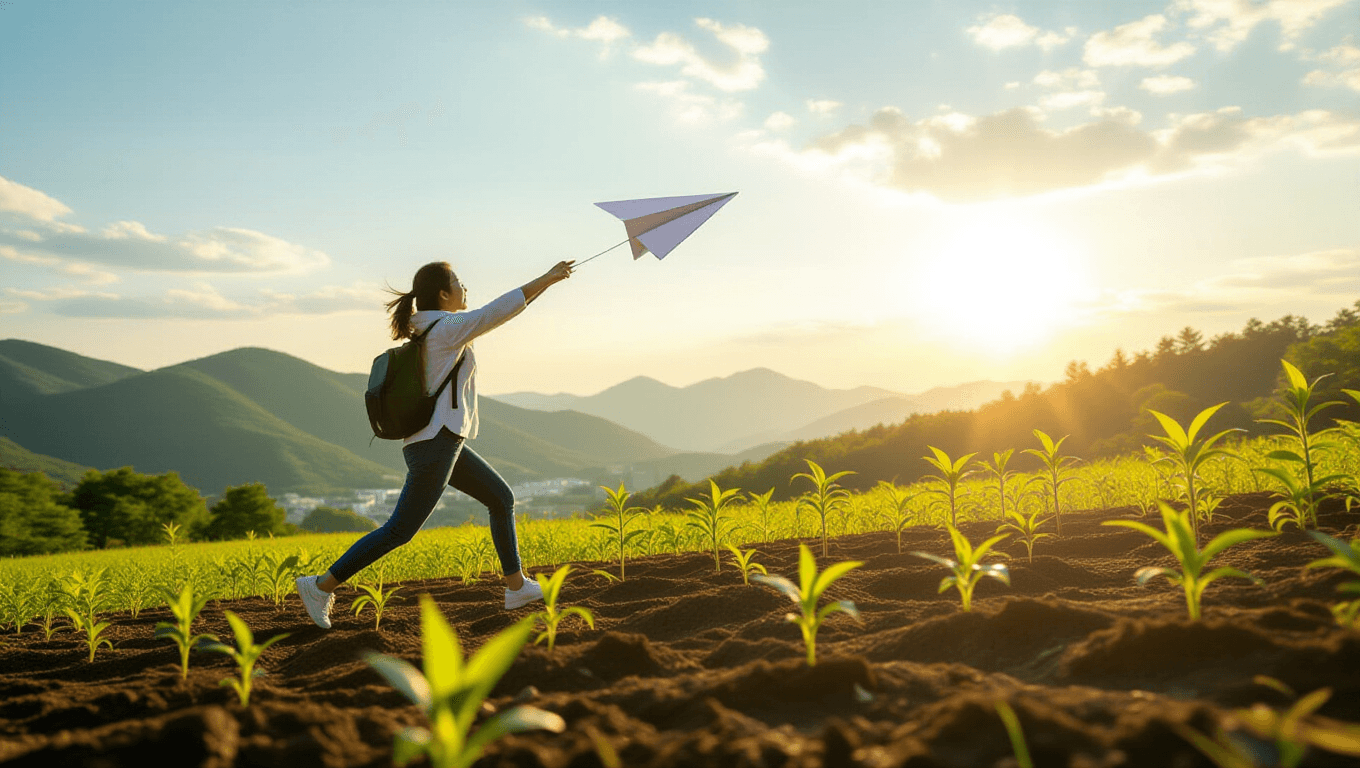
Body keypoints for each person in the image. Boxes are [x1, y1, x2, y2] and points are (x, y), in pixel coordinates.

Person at [295, 258, 575, 628]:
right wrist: (548, 278)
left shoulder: (437, 328)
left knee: (500, 498)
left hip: (440, 440)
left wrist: (544, 285)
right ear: (444, 294)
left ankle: (516, 586)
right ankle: (319, 586)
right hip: (435, 444)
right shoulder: (447, 329)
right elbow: (495, 311)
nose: (464, 287)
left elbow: (498, 315)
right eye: (458, 282)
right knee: (400, 529)